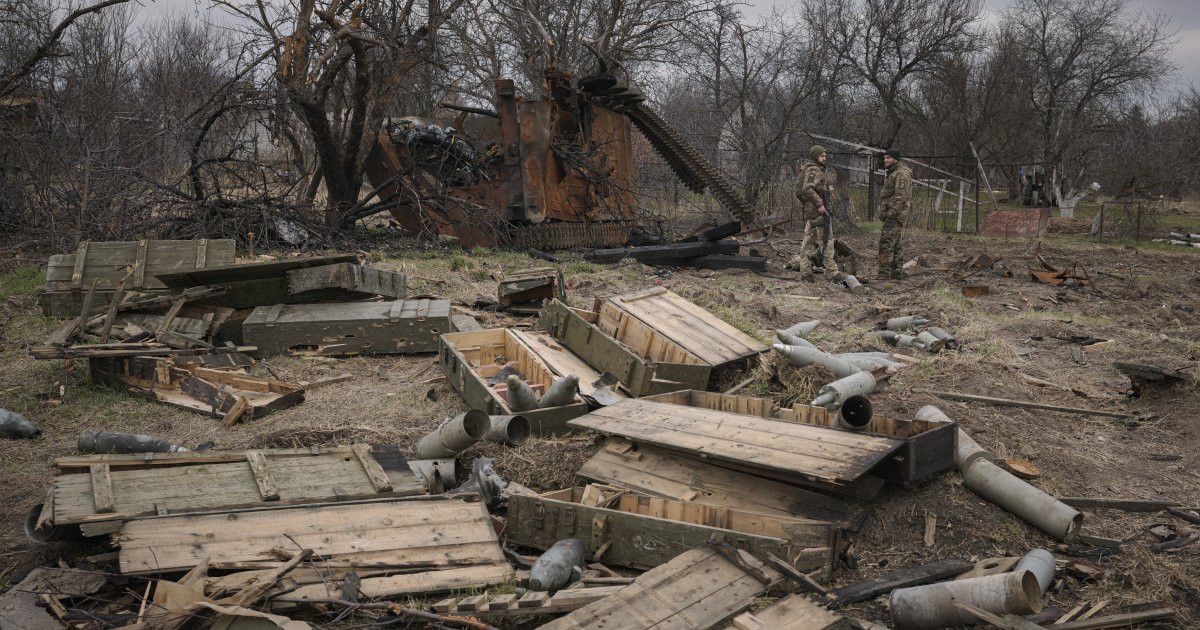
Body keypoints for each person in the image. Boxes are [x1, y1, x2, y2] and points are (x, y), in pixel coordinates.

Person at [789, 145, 837, 279]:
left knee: (809, 241)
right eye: (822, 156)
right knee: (827, 239)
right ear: (816, 156)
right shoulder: (814, 170)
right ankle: (831, 271)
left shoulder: (812, 169)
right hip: (818, 211)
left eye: (825, 156)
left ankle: (806, 272)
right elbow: (807, 188)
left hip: (814, 211)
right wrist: (820, 203)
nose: (824, 158)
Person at [877, 148, 912, 279]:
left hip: (895, 215)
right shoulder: (894, 172)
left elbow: (901, 196)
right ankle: (897, 272)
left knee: (885, 243)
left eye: (888, 158)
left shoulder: (901, 174)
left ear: (896, 159)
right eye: (885, 157)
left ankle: (883, 274)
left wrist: (891, 214)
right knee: (896, 244)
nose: (885, 160)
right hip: (893, 214)